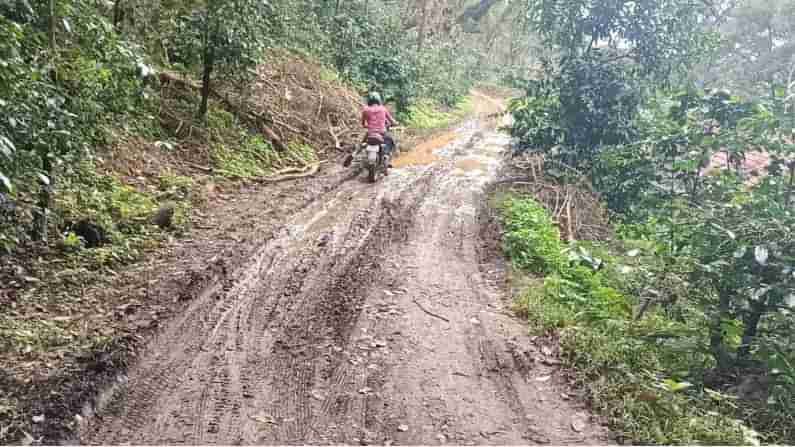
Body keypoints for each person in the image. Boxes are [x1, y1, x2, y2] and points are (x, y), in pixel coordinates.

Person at [361, 92, 398, 160]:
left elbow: (363, 124)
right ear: (379, 100)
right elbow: (392, 121)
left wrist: (367, 126)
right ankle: (386, 155)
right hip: (382, 132)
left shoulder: (365, 110)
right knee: (390, 141)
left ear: (369, 100)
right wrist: (395, 123)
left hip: (370, 132)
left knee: (362, 143)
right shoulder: (383, 109)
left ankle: (355, 154)